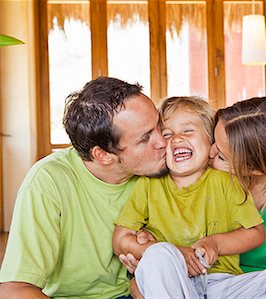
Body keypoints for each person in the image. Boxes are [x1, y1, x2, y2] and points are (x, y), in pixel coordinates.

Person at [125, 96, 266, 298]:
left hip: (239, 288)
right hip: (183, 285)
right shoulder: (182, 171)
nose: (210, 153)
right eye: (213, 139)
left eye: (221, 156)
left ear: (255, 170)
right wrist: (147, 257)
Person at [0, 77, 167, 298]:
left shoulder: (163, 166)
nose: (163, 141)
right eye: (145, 138)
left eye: (159, 125)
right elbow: (14, 289)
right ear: (104, 155)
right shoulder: (48, 181)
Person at [112, 96, 265, 298]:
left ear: (211, 141)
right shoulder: (148, 184)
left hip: (222, 283)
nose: (176, 138)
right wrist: (173, 253)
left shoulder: (227, 182)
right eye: (166, 134)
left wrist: (215, 244)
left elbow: (255, 233)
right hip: (172, 283)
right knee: (157, 255)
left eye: (188, 131)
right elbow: (121, 240)